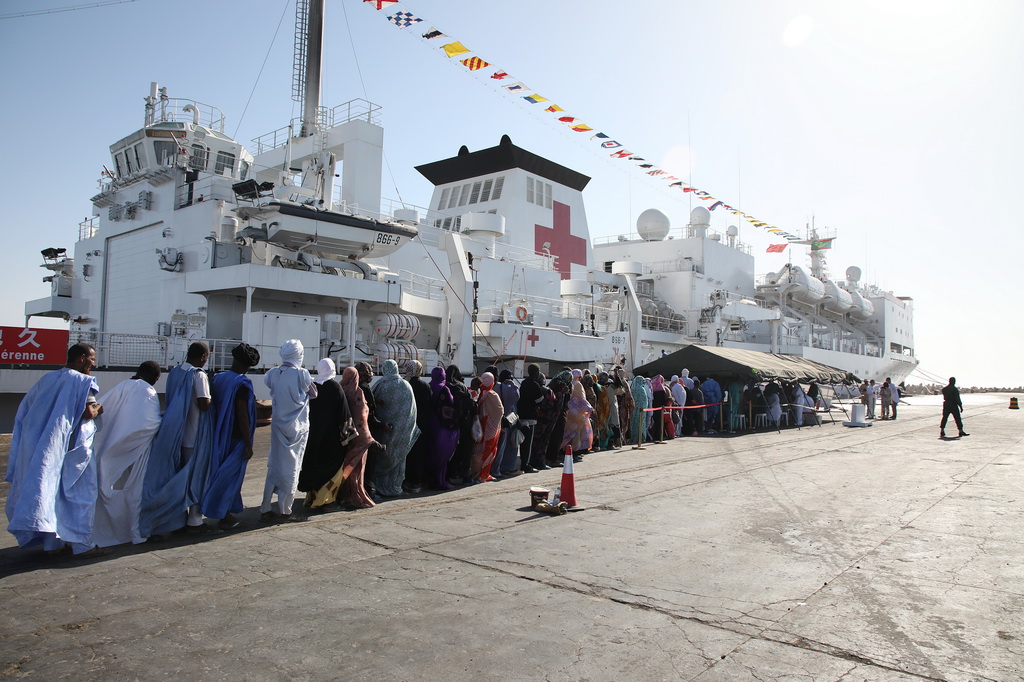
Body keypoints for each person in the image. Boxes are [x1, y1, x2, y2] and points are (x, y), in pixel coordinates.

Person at [5, 343, 103, 556]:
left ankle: (53, 544)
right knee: (81, 494)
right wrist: (99, 409)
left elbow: (27, 410)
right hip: (73, 449)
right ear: (81, 358)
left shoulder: (47, 380)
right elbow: (88, 413)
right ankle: (82, 545)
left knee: (50, 493)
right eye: (92, 359)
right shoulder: (83, 382)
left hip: (43, 448)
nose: (94, 364)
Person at [140, 341, 213, 537]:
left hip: (176, 435)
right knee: (195, 479)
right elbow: (204, 404)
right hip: (196, 436)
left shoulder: (175, 373)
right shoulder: (199, 375)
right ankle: (195, 520)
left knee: (177, 476)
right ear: (203, 357)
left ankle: (176, 520)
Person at [91, 361, 162, 547]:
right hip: (138, 451)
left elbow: (103, 410)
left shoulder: (121, 386)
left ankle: (110, 530)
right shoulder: (148, 391)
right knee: (136, 492)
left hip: (114, 451)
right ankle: (136, 532)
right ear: (155, 376)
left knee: (114, 488)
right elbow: (149, 424)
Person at [202, 343, 261, 528]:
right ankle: (223, 515)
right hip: (236, 437)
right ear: (248, 365)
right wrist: (248, 443)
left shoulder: (219, 378)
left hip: (219, 433)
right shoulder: (242, 383)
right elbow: (242, 414)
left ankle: (224, 511)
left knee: (219, 471)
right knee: (230, 476)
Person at [261, 340, 317, 522]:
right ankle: (286, 511)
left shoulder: (272, 373)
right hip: (297, 429)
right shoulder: (302, 374)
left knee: (274, 465)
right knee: (292, 467)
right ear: (299, 355)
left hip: (277, 426)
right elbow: (314, 393)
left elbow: (270, 384)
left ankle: (266, 507)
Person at [297, 357, 356, 510]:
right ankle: (326, 501)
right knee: (330, 467)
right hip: (331, 438)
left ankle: (311, 498)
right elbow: (344, 414)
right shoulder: (335, 388)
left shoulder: (311, 387)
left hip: (312, 435)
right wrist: (348, 436)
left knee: (314, 463)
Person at [373, 359, 420, 497]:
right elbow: (412, 411)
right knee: (399, 458)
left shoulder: (380, 385)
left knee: (383, 455)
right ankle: (395, 487)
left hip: (383, 430)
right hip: (402, 431)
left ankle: (380, 487)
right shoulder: (406, 385)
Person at [339, 365, 382, 508]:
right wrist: (369, 439)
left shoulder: (339, 389)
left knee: (345, 465)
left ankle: (342, 494)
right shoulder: (359, 393)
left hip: (344, 436)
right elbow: (363, 418)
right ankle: (357, 495)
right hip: (359, 438)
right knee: (357, 469)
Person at [427, 366, 459, 490]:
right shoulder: (444, 389)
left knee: (431, 450)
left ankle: (429, 479)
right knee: (442, 454)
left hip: (430, 421)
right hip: (441, 425)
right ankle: (440, 481)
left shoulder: (429, 386)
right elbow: (450, 404)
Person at [402, 360, 431, 493]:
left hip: (407, 422)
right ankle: (416, 481)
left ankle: (404, 480)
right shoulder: (424, 385)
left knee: (407, 452)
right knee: (419, 453)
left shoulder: (404, 384)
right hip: (422, 422)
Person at [472, 372, 504, 482]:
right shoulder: (492, 395)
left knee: (478, 450)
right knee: (489, 450)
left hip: (478, 427)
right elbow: (500, 411)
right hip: (490, 428)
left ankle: (475, 473)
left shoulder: (478, 393)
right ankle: (483, 474)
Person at [517, 363, 547, 473]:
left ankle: (523, 463)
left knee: (523, 442)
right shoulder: (534, 385)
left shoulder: (524, 383)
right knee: (528, 443)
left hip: (522, 415)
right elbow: (540, 400)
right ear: (536, 373)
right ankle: (526, 465)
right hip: (531, 416)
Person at [493, 369, 521, 477]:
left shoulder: (494, 387)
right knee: (509, 445)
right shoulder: (507, 389)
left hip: (496, 421)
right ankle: (507, 467)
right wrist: (512, 384)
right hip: (508, 420)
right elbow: (516, 396)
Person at [561, 379, 594, 460]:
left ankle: (564, 451)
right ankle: (574, 452)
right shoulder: (578, 385)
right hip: (577, 416)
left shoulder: (568, 385)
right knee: (576, 435)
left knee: (566, 434)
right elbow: (582, 399)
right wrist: (589, 409)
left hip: (568, 414)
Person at [630, 375, 648, 445]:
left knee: (634, 423)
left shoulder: (632, 389)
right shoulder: (641, 389)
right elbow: (645, 400)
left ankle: (634, 437)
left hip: (634, 409)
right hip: (641, 410)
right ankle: (641, 437)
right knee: (641, 423)